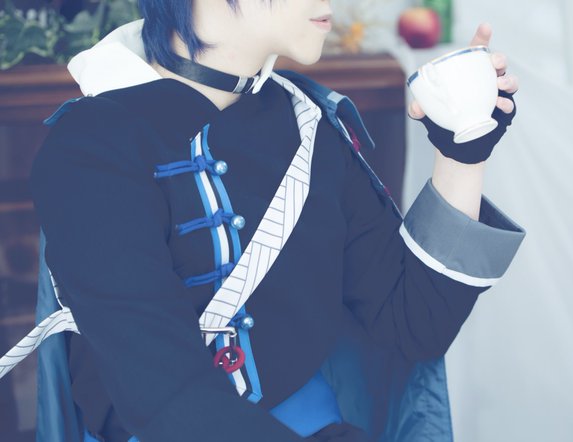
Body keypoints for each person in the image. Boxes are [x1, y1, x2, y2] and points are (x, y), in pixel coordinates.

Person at [26, 0, 525, 441]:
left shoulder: (310, 124)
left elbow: (412, 325)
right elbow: (165, 398)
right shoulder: (91, 147)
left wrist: (463, 154)